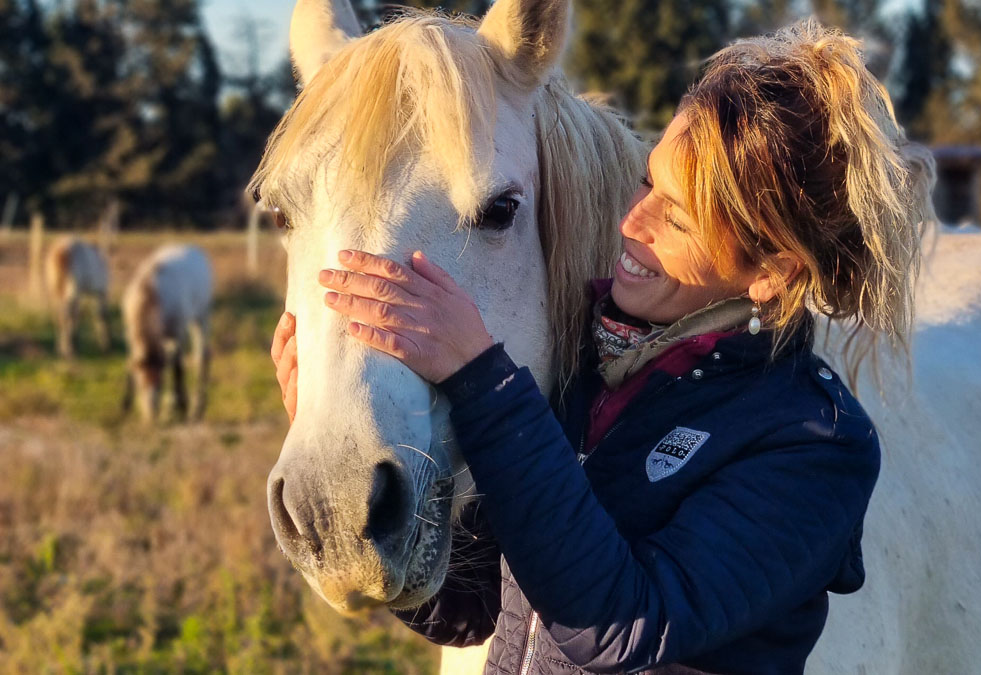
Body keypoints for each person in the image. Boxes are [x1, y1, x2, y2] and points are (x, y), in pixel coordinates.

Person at [272, 20, 928, 674]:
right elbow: (475, 610)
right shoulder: (585, 369)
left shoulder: (812, 443)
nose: (630, 222)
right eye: (648, 182)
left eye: (679, 216)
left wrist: (483, 382)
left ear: (772, 271)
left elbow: (623, 624)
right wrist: (388, 515)